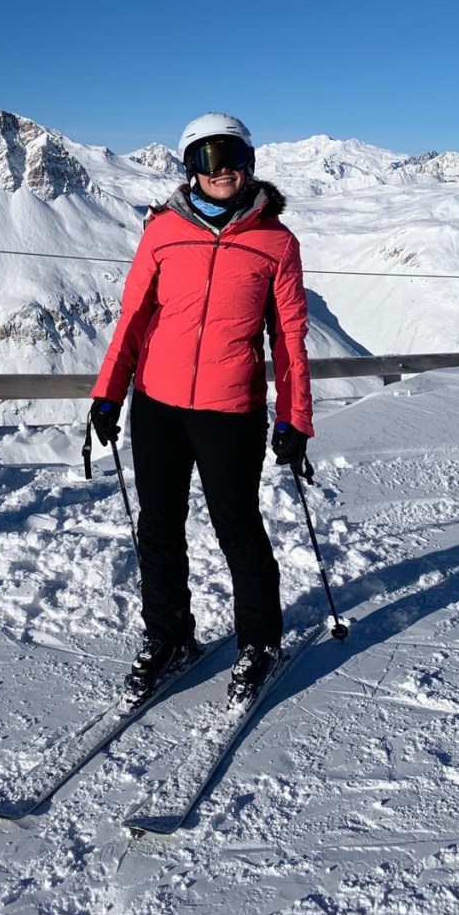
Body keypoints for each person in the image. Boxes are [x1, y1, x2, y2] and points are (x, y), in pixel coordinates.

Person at [89, 112, 313, 705]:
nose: (224, 170)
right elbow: (134, 318)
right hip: (158, 404)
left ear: (251, 162)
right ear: (190, 166)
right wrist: (109, 391)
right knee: (158, 528)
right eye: (210, 158)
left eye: (234, 155)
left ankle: (260, 641)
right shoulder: (162, 232)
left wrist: (295, 418)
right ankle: (169, 637)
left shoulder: (276, 244)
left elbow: (289, 338)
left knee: (237, 527)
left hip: (230, 408)